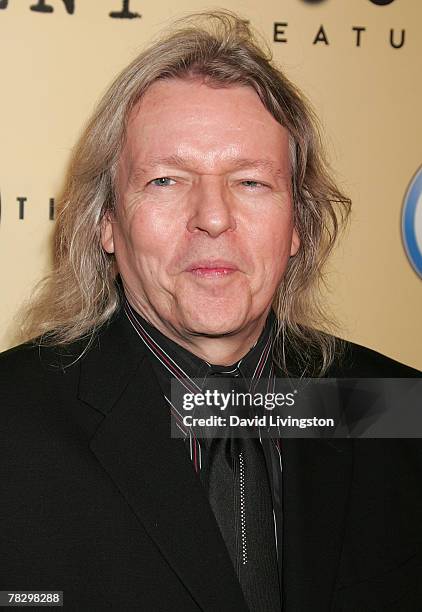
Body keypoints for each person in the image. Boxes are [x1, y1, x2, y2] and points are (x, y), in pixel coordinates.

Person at [0, 11, 421, 612]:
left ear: (297, 225)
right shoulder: (11, 426)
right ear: (106, 222)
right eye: (167, 180)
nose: (214, 217)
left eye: (251, 182)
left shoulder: (396, 412)